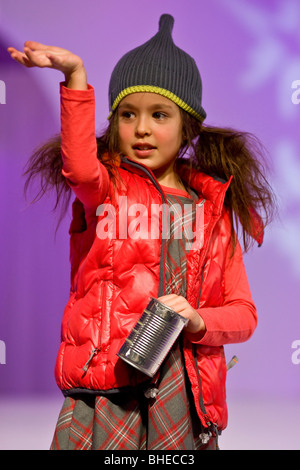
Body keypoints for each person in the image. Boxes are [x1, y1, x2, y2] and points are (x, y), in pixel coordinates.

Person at [8, 14, 275, 450]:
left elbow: (244, 314)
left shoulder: (211, 211)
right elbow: (77, 165)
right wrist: (75, 77)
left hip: (183, 398)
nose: (143, 128)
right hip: (109, 393)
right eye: (128, 114)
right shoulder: (105, 189)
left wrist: (197, 319)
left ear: (188, 126)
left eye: (160, 114)